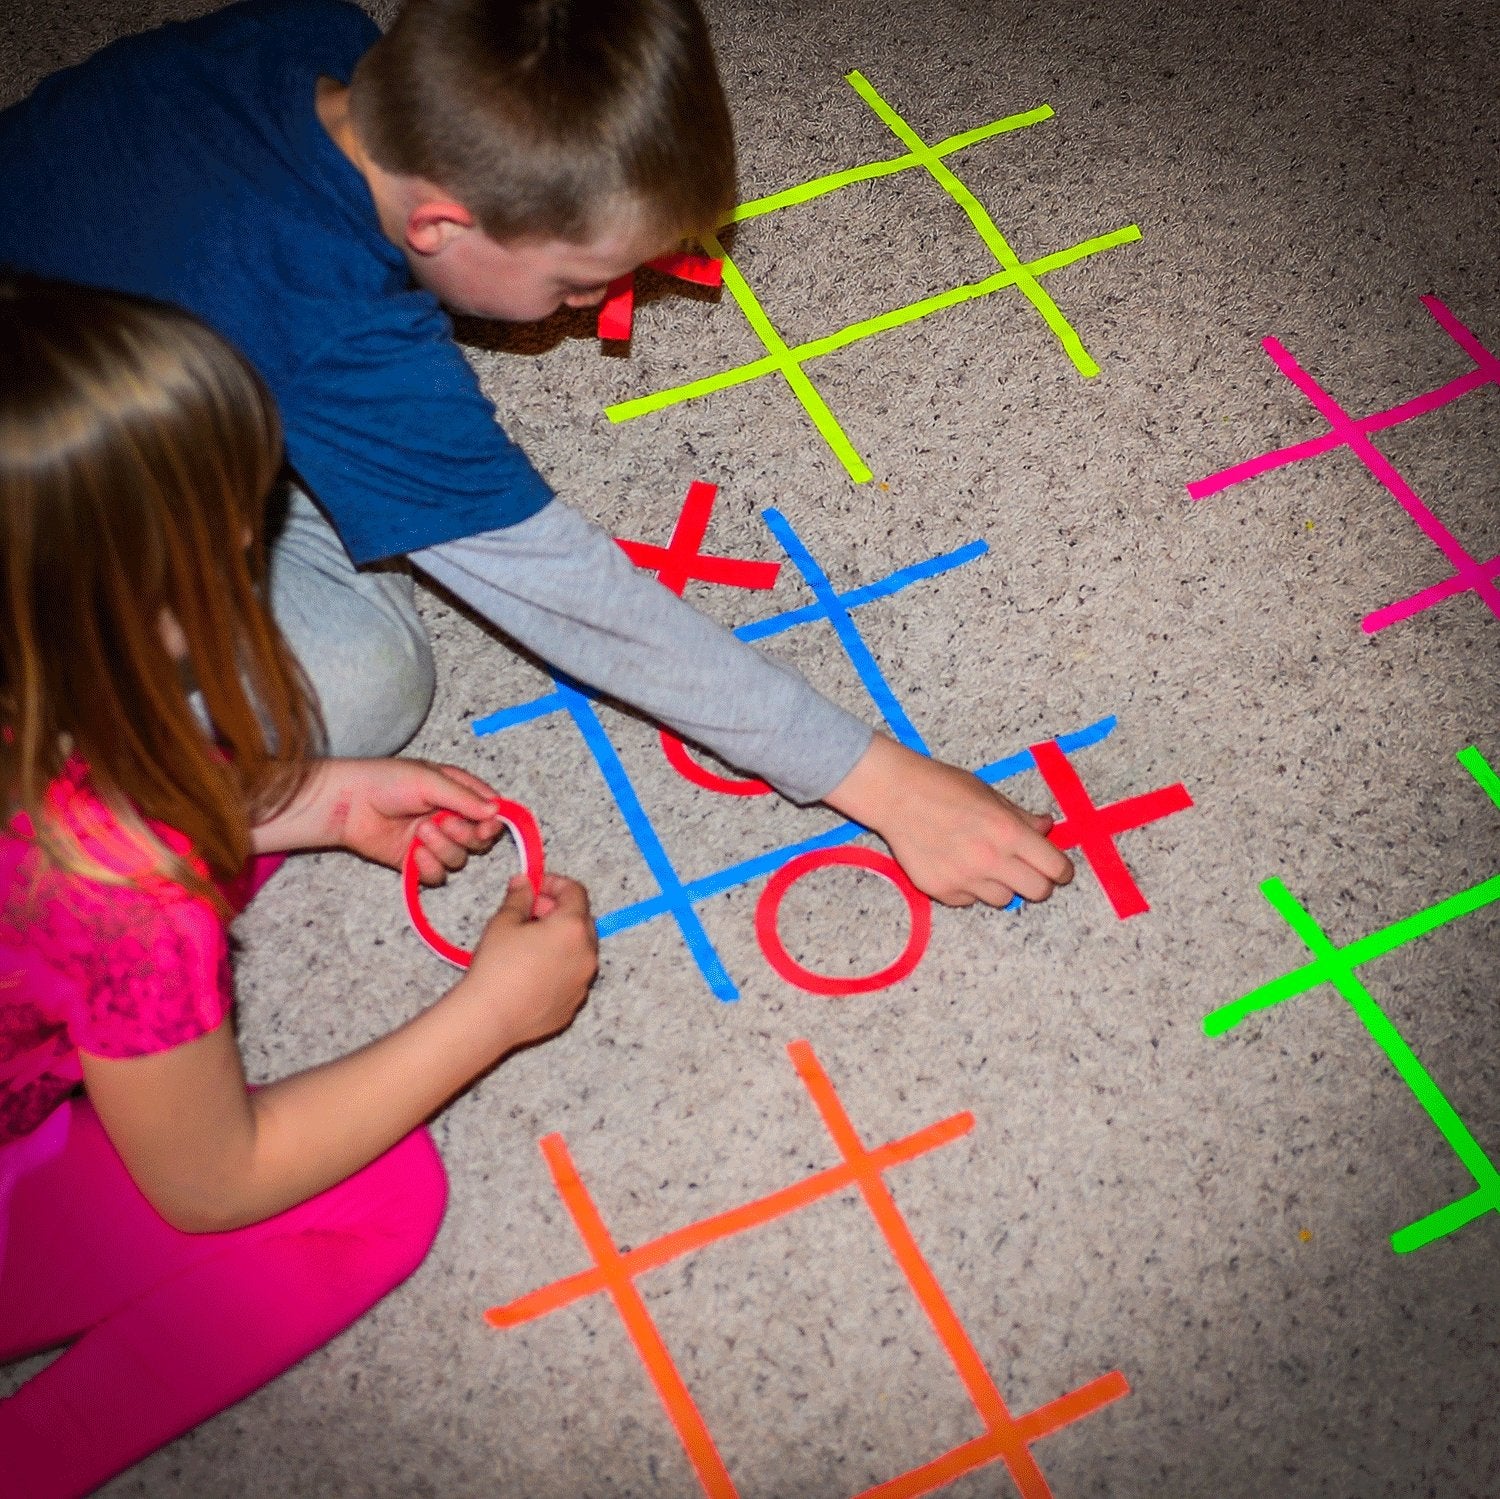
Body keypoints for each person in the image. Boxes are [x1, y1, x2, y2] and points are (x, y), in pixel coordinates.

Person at [0, 0, 1074, 912]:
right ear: (438, 224)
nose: (603, 305)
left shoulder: (319, 36)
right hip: (39, 502)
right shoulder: (331, 332)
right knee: (367, 678)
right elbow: (572, 597)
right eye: (574, 283)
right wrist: (880, 781)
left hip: (64, 320)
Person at [0, 274, 600, 1499]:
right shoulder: (124, 888)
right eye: (230, 552)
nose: (255, 559)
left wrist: (318, 800)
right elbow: (214, 1177)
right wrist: (490, 1012)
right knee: (374, 1194)